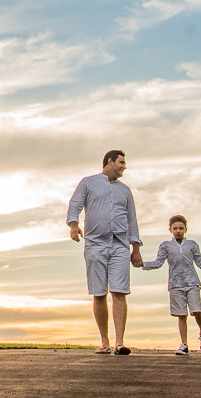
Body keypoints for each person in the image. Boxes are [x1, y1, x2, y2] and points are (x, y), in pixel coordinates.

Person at [67, 149, 143, 355]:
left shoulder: (125, 190)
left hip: (120, 245)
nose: (124, 166)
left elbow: (131, 221)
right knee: (99, 293)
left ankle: (120, 342)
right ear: (109, 161)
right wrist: (73, 226)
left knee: (119, 291)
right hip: (95, 244)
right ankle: (104, 341)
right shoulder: (88, 183)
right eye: (121, 162)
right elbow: (75, 205)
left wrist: (135, 249)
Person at [141, 214, 201, 354]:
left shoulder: (192, 245)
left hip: (192, 282)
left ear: (185, 229)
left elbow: (200, 263)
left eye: (181, 228)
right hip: (175, 284)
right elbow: (158, 263)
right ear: (170, 229)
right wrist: (143, 264)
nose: (178, 230)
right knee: (181, 315)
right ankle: (184, 344)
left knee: (197, 310)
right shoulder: (165, 246)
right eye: (175, 228)